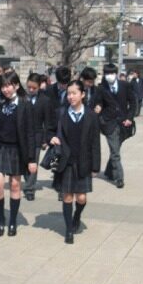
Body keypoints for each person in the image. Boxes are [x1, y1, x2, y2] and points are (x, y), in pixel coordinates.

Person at [49, 80, 101, 244]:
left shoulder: (91, 116)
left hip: (83, 162)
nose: (70, 96)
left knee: (81, 198)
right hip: (66, 161)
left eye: (74, 93)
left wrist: (96, 166)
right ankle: (68, 229)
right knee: (67, 196)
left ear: (82, 95)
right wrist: (52, 137)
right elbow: (48, 129)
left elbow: (95, 142)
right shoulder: (61, 113)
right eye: (69, 93)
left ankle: (77, 215)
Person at [0, 71, 36, 236]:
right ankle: (1, 218)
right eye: (3, 86)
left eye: (9, 85)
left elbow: (31, 132)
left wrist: (32, 159)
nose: (6, 89)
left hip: (17, 149)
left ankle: (13, 220)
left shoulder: (25, 103)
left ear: (16, 85)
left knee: (15, 186)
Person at [95, 63, 135, 188]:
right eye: (107, 73)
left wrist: (129, 118)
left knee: (115, 149)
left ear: (116, 74)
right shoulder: (101, 88)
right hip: (108, 123)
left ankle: (108, 171)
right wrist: (99, 113)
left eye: (111, 73)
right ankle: (119, 178)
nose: (109, 76)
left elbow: (133, 102)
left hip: (123, 123)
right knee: (115, 151)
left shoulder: (125, 86)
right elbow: (98, 103)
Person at [23, 73, 52, 201]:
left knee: (33, 162)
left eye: (34, 88)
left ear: (40, 87)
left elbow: (47, 121)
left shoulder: (45, 100)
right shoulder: (21, 98)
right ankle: (27, 179)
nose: (30, 90)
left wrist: (45, 139)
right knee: (24, 162)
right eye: (29, 87)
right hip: (22, 135)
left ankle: (30, 188)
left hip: (36, 136)